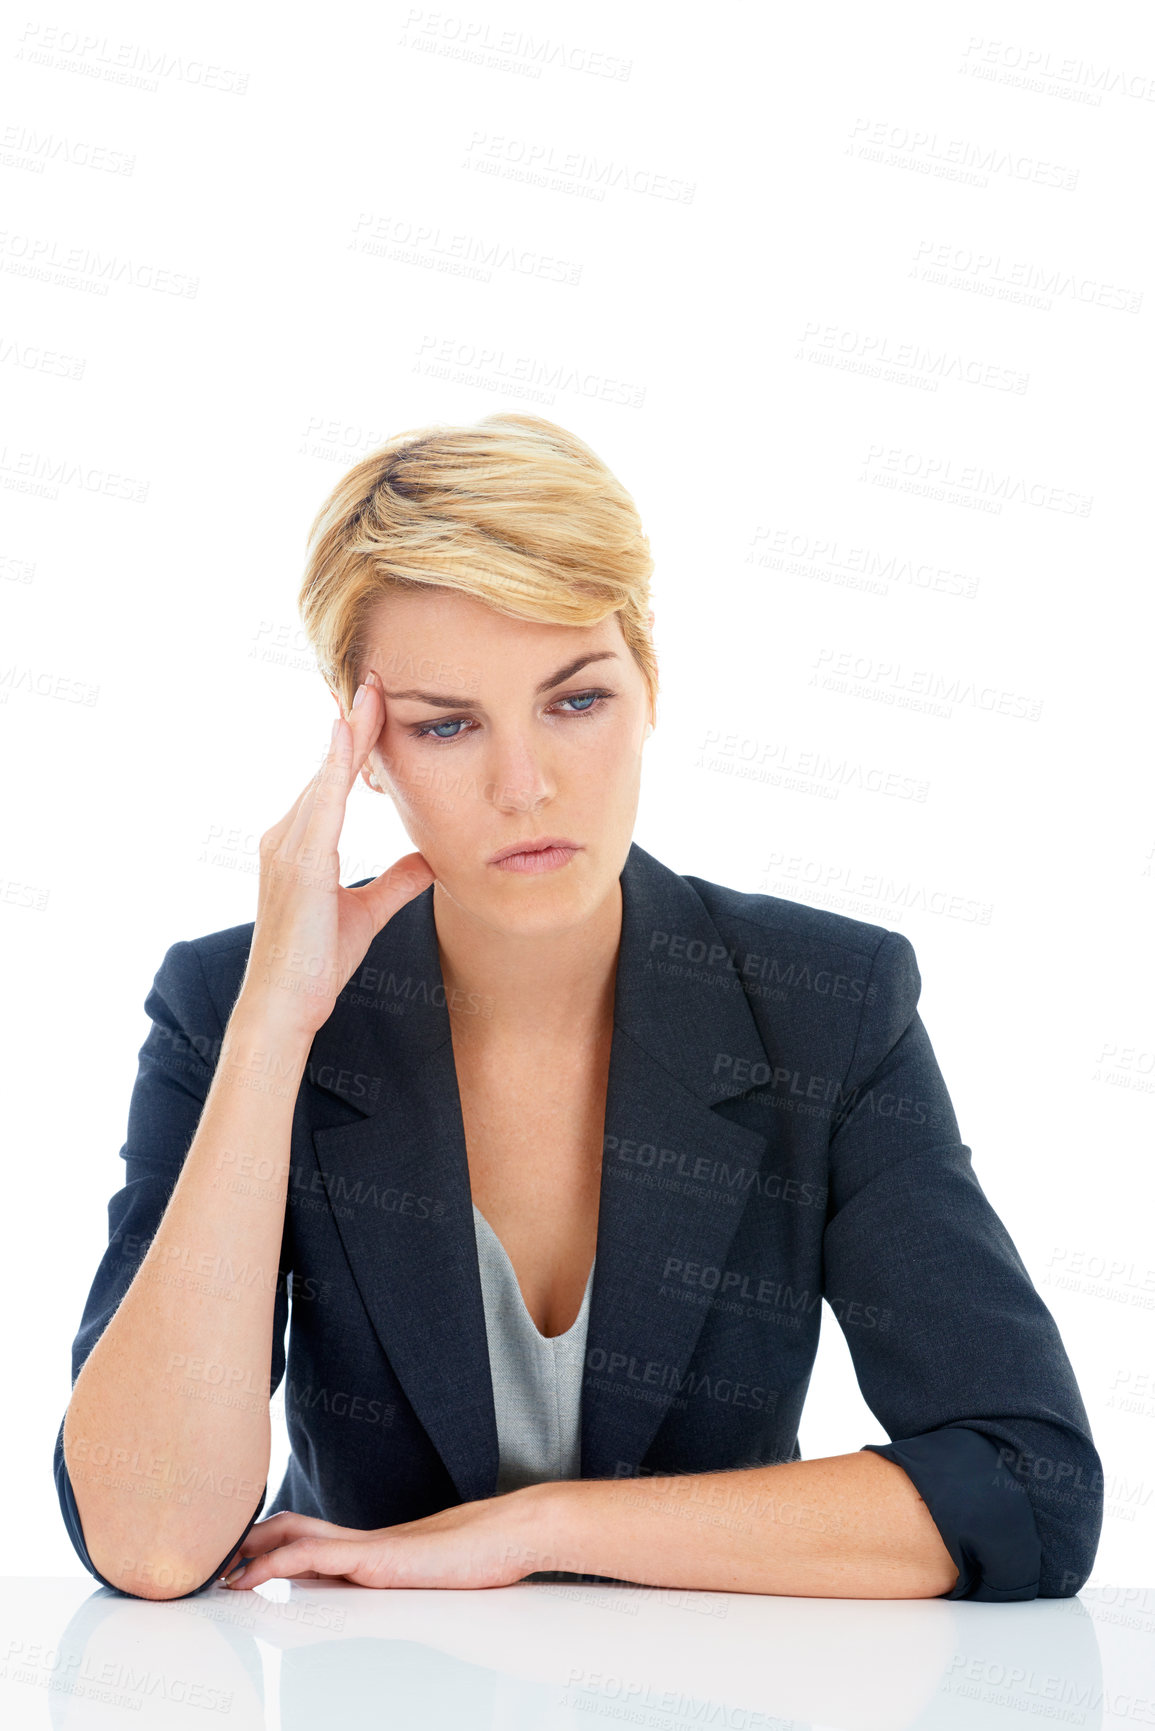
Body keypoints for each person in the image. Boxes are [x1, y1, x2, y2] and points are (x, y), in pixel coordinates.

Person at [55, 414, 1103, 1603]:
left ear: (648, 685)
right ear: (366, 754)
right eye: (446, 725)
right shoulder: (230, 1008)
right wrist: (271, 1034)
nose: (525, 786)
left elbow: (1027, 1488)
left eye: (576, 701)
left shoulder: (826, 1008)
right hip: (367, 1697)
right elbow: (145, 1541)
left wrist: (535, 1529)